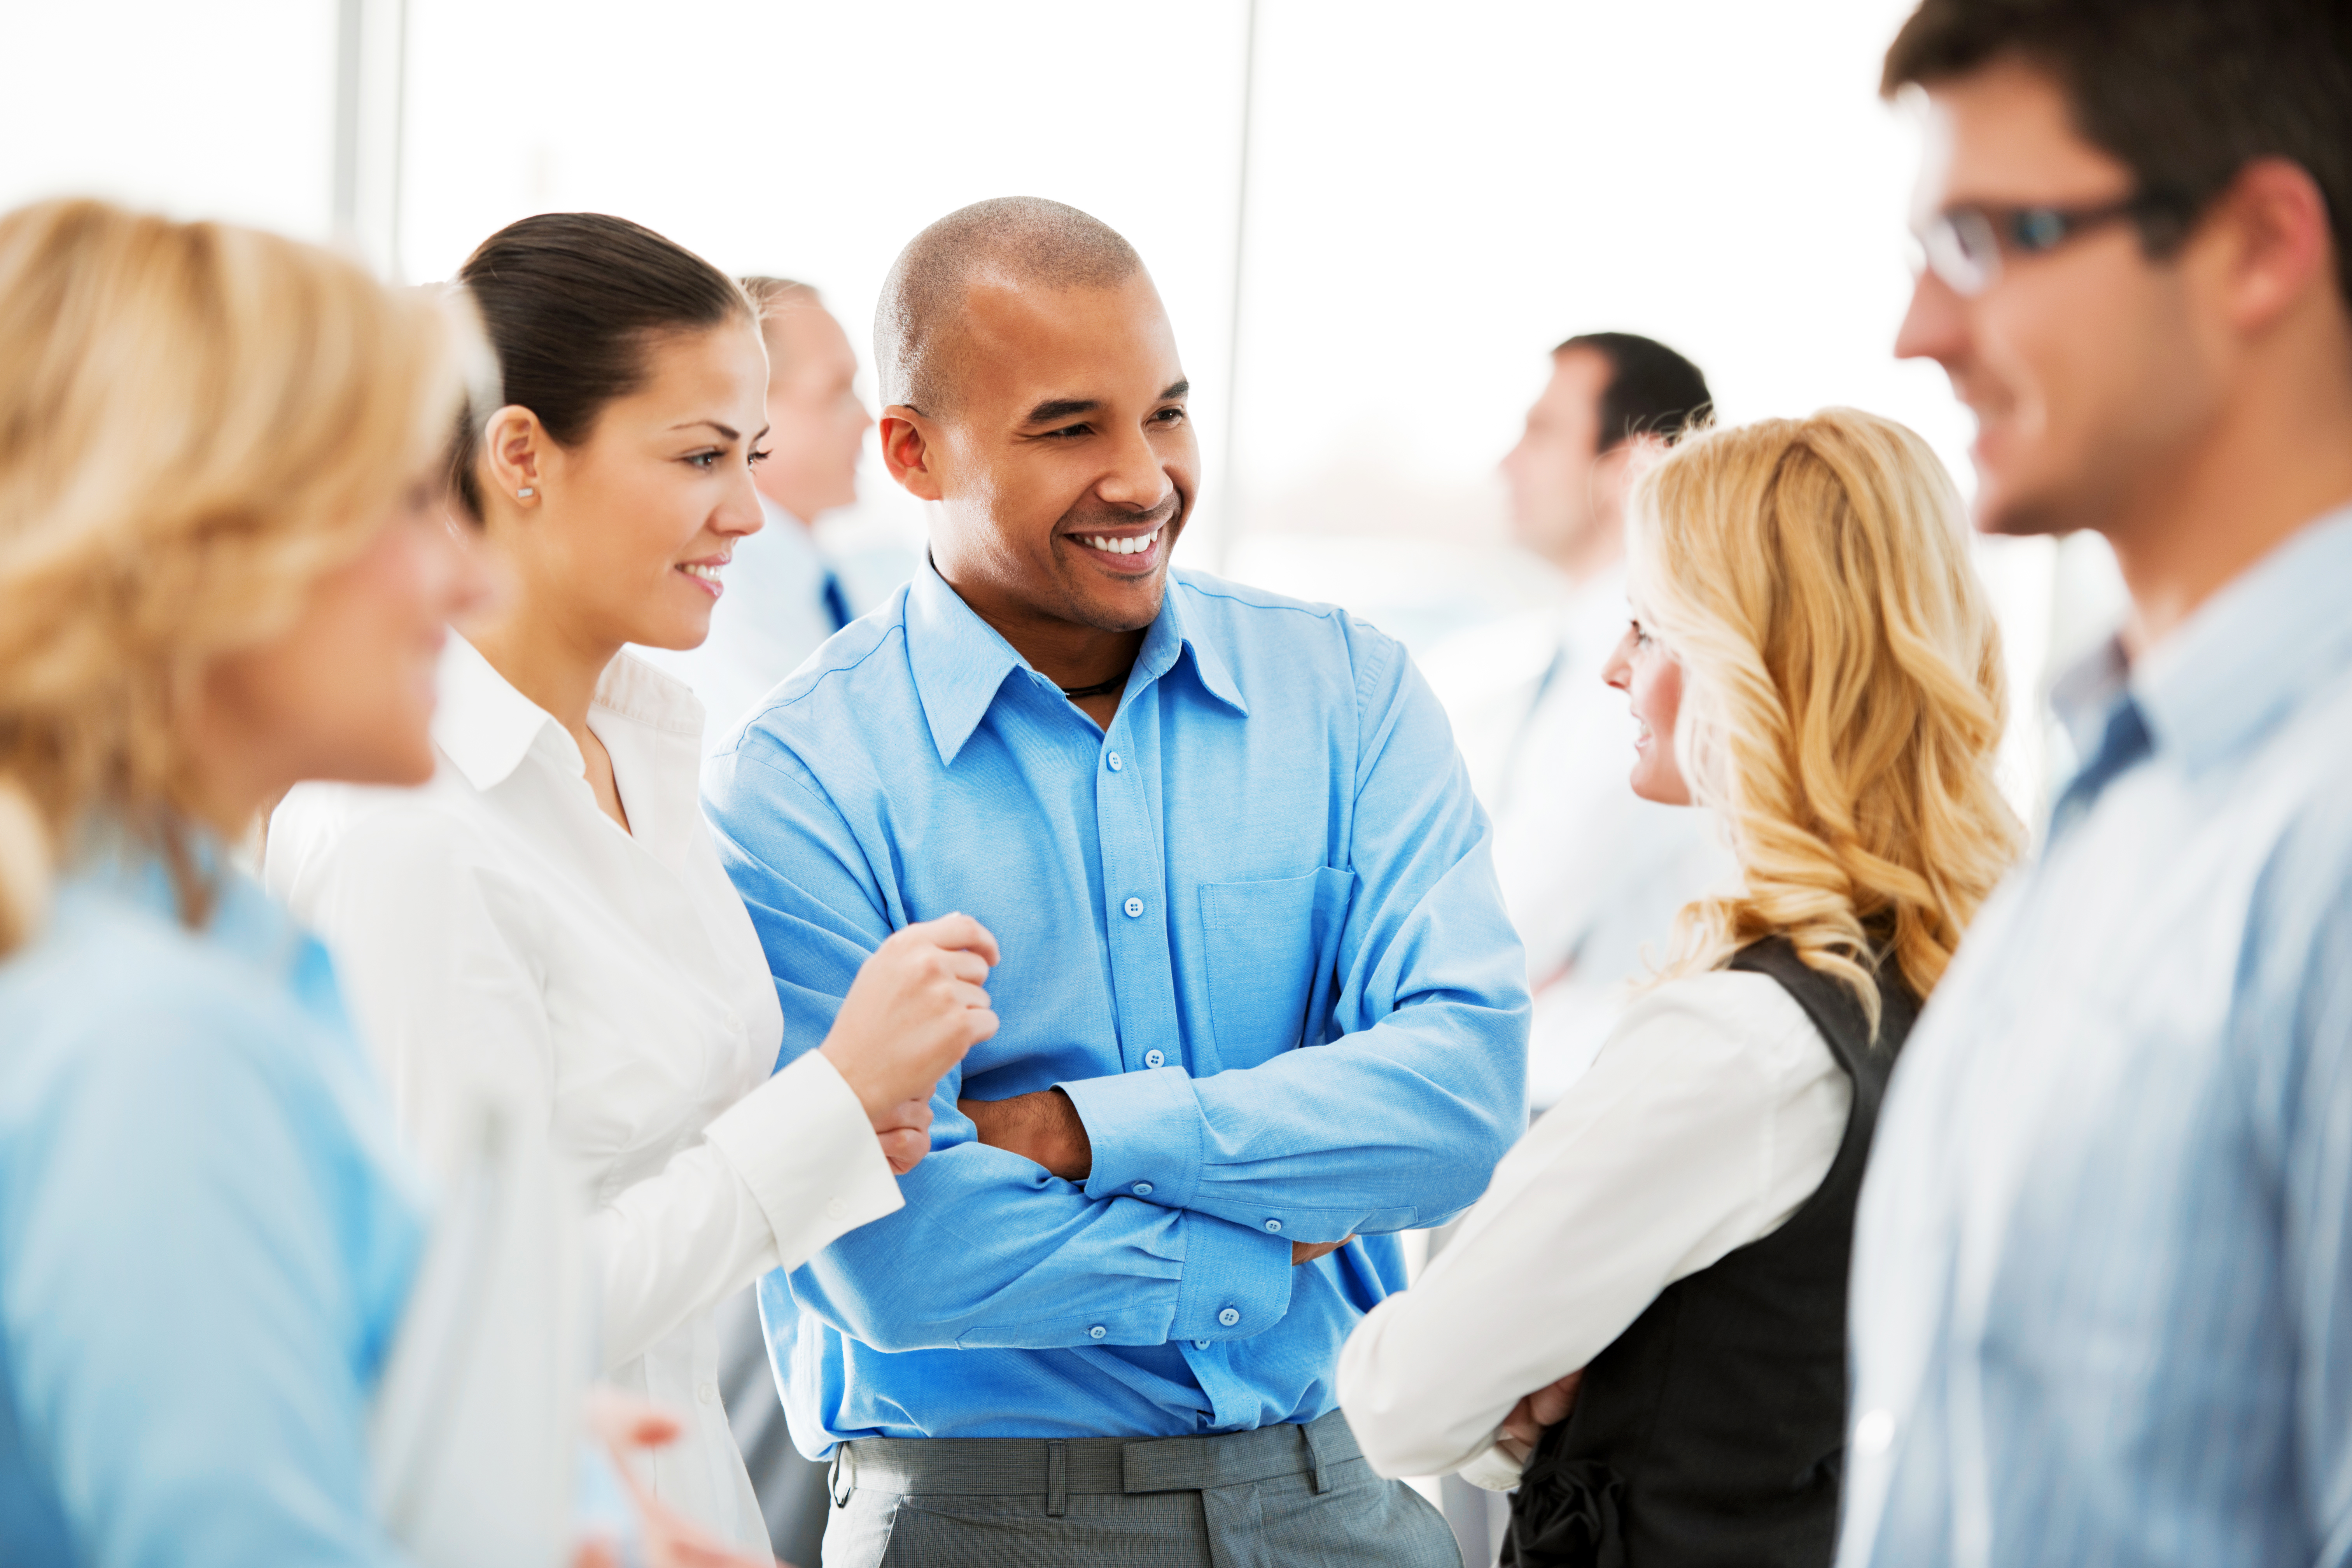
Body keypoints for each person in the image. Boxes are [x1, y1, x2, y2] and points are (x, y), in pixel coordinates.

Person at [702, 196, 1526, 1567]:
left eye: (1167, 414)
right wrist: (1264, 1249)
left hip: (1340, 1493)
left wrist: (1086, 1130)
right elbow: (893, 1261)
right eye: (1068, 428)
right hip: (974, 1522)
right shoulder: (795, 779)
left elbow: (1456, 1101)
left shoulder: (1349, 696)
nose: (1142, 478)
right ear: (911, 450)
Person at [0, 197, 756, 1568]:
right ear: (201, 551)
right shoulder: (154, 1039)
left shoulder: (221, 959)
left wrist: (546, 1498)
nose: (466, 572)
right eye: (409, 505)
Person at [264, 212, 1002, 1554]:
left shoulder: (647, 758)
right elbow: (472, 1328)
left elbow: (655, 1163)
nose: (747, 509)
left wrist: (837, 1122)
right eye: (701, 456)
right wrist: (825, 1107)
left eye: (755, 455)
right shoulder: (409, 830)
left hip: (673, 1503)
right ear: (522, 454)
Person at [1836, 2, 2352, 1564]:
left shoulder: (2323, 822)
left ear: (2261, 245)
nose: (1919, 328)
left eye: (1995, 239)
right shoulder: (2130, 787)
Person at [1337, 410, 2022, 1567]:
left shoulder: (1740, 1044)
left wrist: (1561, 1392)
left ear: (1760, 669)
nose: (1614, 667)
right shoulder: (1980, 973)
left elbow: (1404, 1397)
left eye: (1650, 628)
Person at [1427, 332, 1734, 1108]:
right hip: (1552, 1084)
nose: (1508, 465)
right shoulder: (1570, 652)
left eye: (1542, 433)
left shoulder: (1657, 677)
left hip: (1586, 1097)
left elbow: (1500, 937)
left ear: (1632, 464)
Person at [635, 277, 897, 746]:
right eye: (838, 391)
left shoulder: (844, 577)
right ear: (745, 406)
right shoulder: (714, 594)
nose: (868, 419)